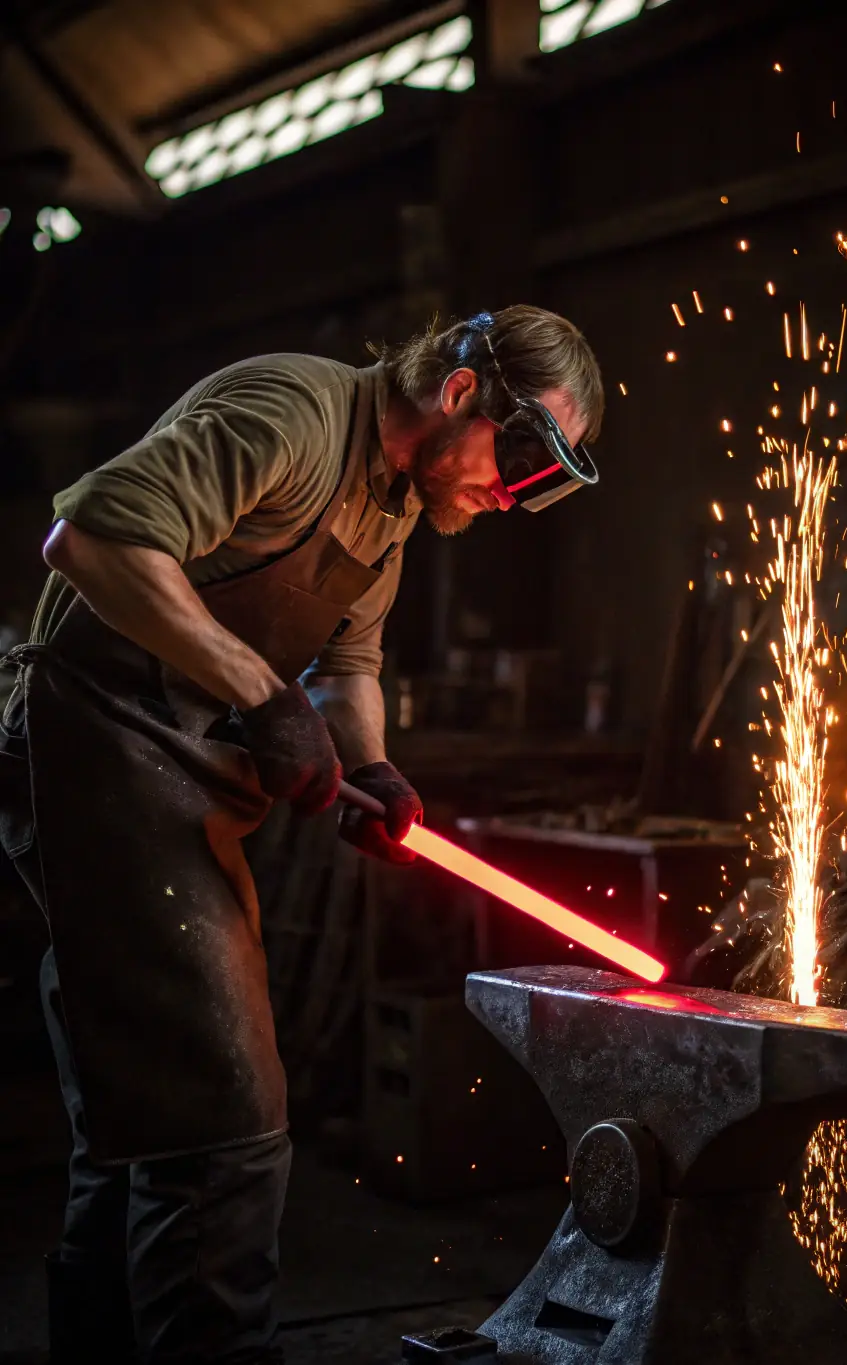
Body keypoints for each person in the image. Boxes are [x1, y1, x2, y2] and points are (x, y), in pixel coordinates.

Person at [0, 306, 603, 1364]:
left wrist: (365, 761)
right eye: (518, 459)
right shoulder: (293, 414)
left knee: (139, 1113)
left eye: (541, 479)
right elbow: (91, 536)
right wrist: (258, 694)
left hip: (174, 769)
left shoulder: (392, 510)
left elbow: (348, 664)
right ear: (460, 392)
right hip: (85, 743)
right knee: (227, 1123)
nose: (513, 495)